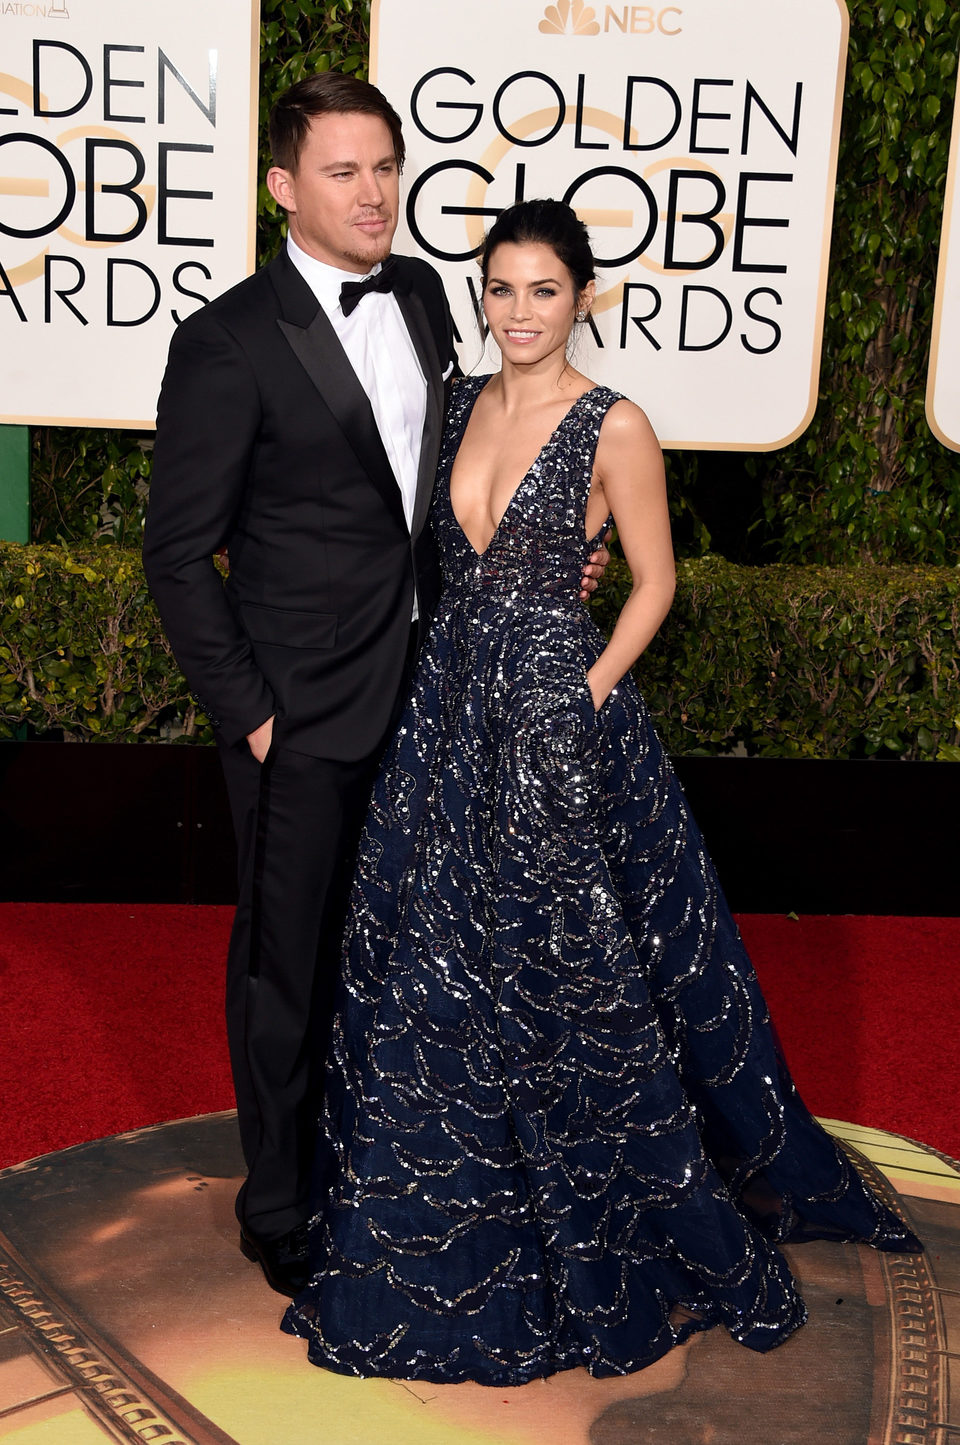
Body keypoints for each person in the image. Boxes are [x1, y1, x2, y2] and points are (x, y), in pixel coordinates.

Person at [281, 199, 922, 1385]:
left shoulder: (615, 424)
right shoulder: (461, 401)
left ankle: (588, 1212)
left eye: (541, 290)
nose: (517, 312)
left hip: (551, 717)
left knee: (558, 973)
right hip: (443, 713)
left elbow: (654, 579)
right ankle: (429, 1204)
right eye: (500, 288)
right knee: (428, 966)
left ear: (586, 297)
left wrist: (591, 687)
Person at [142, 78, 607, 1299]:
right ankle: (280, 1197)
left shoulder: (417, 294)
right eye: (343, 171)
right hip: (295, 711)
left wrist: (556, 540)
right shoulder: (228, 340)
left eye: (387, 166)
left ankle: (374, 1155)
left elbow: (440, 478)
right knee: (287, 957)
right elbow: (177, 554)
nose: (374, 192)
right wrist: (252, 709)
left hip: (428, 686)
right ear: (283, 186)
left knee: (399, 941)